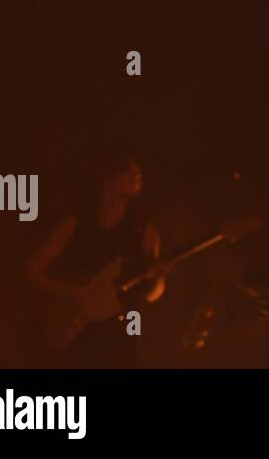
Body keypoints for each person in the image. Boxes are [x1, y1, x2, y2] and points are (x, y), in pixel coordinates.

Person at [23, 155, 169, 367]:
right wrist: (70, 293)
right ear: (109, 176)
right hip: (72, 339)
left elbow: (151, 295)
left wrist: (157, 280)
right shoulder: (76, 223)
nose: (137, 177)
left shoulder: (143, 231)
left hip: (116, 339)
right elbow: (30, 271)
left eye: (139, 175)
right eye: (128, 171)